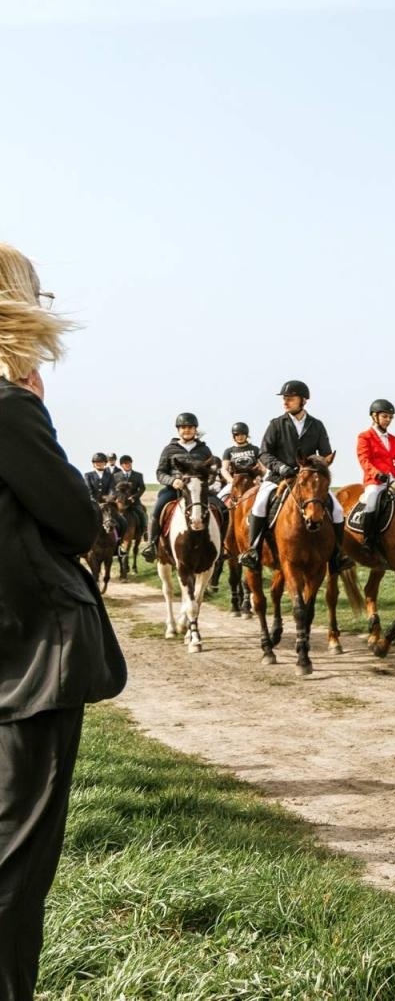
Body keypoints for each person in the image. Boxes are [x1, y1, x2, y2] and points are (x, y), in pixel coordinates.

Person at [0, 242, 127, 1000]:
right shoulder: (12, 410)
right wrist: (38, 409)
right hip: (29, 661)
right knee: (15, 863)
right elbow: (79, 522)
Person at [239, 380, 345, 571]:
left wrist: (313, 467)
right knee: (260, 503)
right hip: (279, 477)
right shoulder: (276, 424)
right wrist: (280, 467)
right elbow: (263, 453)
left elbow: (325, 453)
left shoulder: (317, 425)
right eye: (284, 399)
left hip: (308, 479)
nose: (285, 402)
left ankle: (338, 555)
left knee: (337, 509)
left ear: (303, 401)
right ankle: (253, 551)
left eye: (290, 398)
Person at [140, 413, 217, 561]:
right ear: (178, 430)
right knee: (156, 510)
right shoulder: (169, 449)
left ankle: (221, 546)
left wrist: (205, 482)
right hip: (174, 490)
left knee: (221, 508)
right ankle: (151, 545)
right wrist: (172, 480)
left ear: (195, 429)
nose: (186, 430)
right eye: (183, 427)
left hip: (198, 491)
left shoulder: (204, 450)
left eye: (190, 427)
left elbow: (212, 472)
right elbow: (160, 473)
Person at [352, 398, 395, 552]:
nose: (388, 420)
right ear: (374, 416)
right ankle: (368, 539)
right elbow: (364, 459)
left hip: (394, 477)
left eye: (390, 417)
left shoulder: (394, 439)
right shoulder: (364, 437)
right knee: (372, 499)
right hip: (375, 480)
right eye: (385, 416)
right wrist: (377, 474)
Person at [218, 422, 261, 502]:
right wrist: (232, 481)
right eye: (237, 435)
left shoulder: (255, 449)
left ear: (246, 435)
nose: (240, 437)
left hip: (253, 480)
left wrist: (259, 477)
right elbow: (224, 469)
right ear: (234, 436)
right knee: (219, 499)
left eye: (242, 434)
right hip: (235, 481)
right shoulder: (228, 451)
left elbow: (262, 467)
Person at [115, 455, 147, 541]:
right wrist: (118, 498)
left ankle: (144, 531)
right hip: (121, 501)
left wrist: (135, 497)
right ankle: (114, 533)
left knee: (142, 512)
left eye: (129, 463)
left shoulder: (138, 475)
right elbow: (113, 489)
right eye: (125, 463)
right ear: (121, 465)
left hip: (134, 501)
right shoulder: (116, 476)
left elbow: (142, 488)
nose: (128, 465)